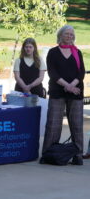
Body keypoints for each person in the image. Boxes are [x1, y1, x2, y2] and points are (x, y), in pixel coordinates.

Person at [41, 25, 85, 165]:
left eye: (72, 34)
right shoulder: (53, 52)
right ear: (61, 35)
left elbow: (81, 72)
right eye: (67, 34)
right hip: (57, 91)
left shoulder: (77, 52)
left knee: (76, 125)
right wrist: (67, 86)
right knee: (54, 124)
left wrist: (72, 85)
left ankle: (77, 155)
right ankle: (48, 154)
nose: (69, 36)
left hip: (76, 92)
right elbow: (52, 73)